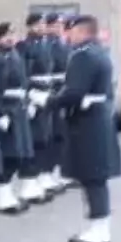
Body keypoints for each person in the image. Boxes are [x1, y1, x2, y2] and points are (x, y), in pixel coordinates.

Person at [47, 15, 121, 242]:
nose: (67, 36)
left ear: (81, 31)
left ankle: (98, 231)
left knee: (92, 178)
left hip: (87, 125)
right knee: (96, 178)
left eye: (70, 31)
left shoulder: (82, 56)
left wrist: (48, 101)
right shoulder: (100, 52)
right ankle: (99, 228)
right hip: (98, 121)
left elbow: (74, 93)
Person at [0, 22, 36, 215]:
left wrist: (27, 102)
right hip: (6, 110)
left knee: (19, 154)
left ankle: (8, 194)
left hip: (19, 109)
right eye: (5, 35)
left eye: (12, 34)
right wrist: (0, 114)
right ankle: (2, 198)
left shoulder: (16, 56)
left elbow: (23, 82)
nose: (10, 38)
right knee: (7, 156)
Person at [16, 13, 56, 206]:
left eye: (42, 24)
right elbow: (22, 74)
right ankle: (27, 182)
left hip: (45, 95)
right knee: (32, 141)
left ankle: (37, 178)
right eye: (38, 24)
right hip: (33, 95)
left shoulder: (45, 44)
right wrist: (29, 98)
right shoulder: (24, 46)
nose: (41, 27)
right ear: (30, 26)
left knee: (44, 139)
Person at [44, 12, 72, 194]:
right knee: (52, 135)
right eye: (55, 24)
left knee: (63, 135)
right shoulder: (46, 45)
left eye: (61, 24)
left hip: (64, 90)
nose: (59, 28)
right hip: (52, 91)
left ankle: (61, 170)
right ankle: (49, 172)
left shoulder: (65, 45)